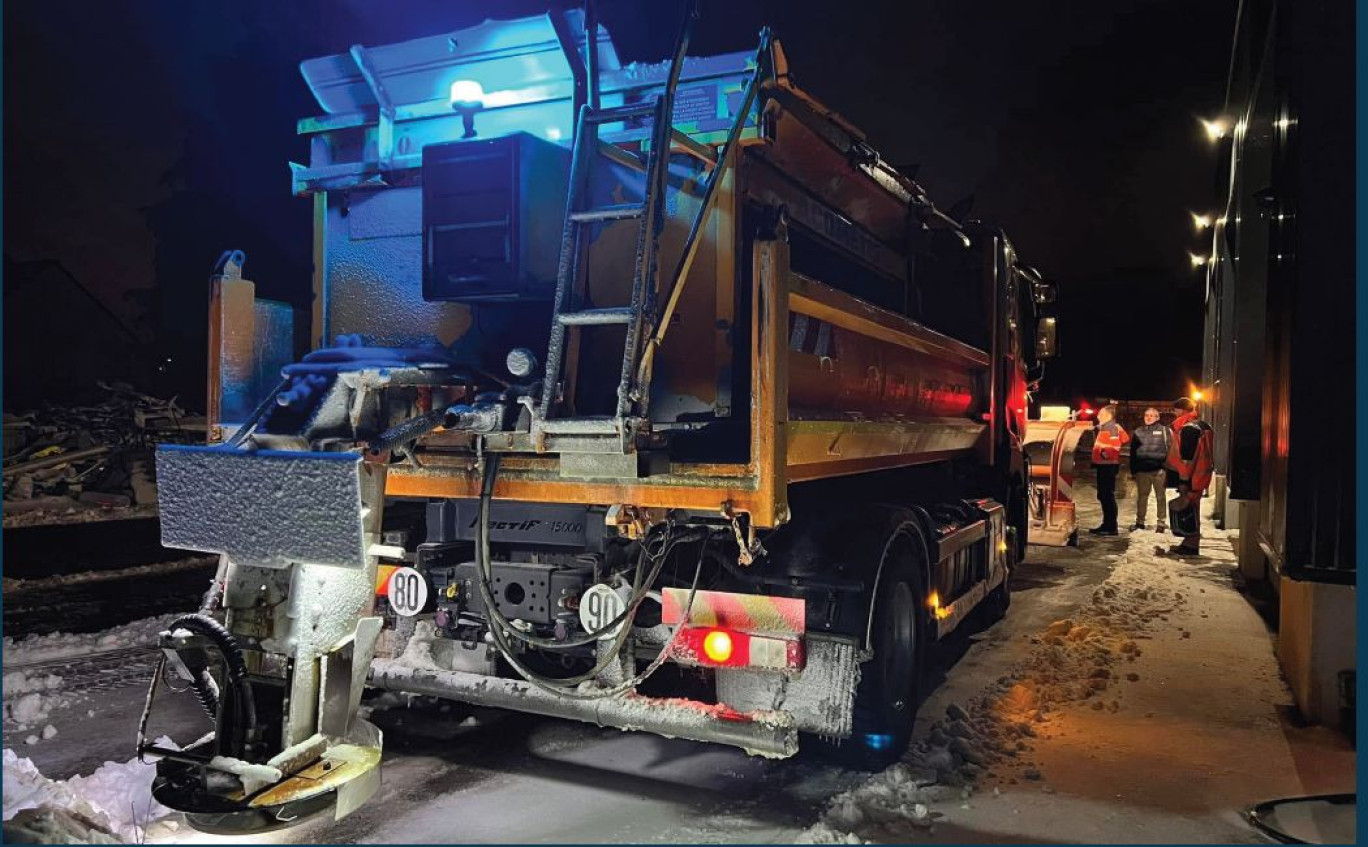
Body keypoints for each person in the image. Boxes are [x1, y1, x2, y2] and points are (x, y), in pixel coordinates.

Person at [1164, 397, 1215, 555]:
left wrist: (1184, 481)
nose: (1174, 413)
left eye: (1175, 410)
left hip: (1191, 477)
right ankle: (1190, 542)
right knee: (1192, 508)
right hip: (1201, 475)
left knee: (1189, 509)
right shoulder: (1203, 426)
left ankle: (1191, 543)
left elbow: (1187, 460)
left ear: (1182, 410)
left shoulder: (1188, 429)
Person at [1088, 405, 1130, 536]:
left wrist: (1103, 455)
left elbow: (1113, 447)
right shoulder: (1109, 427)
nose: (1098, 416)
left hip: (1107, 465)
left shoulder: (1110, 428)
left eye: (1100, 414)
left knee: (1106, 496)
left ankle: (1110, 527)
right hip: (1106, 465)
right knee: (1105, 495)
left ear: (1108, 415)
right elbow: (1124, 439)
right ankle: (1107, 525)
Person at [1129, 406, 1172, 531]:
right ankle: (1140, 522)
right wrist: (1134, 470)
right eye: (1146, 415)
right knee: (1142, 496)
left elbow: (1171, 450)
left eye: (1151, 415)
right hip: (1142, 471)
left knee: (1160, 496)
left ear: (1157, 418)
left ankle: (1161, 523)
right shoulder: (1138, 431)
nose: (1148, 417)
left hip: (1159, 470)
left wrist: (1166, 468)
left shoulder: (1165, 431)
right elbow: (1133, 453)